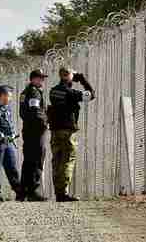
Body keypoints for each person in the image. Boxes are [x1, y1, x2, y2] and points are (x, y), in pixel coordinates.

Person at [47, 67, 95, 202]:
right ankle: (63, 193)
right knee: (68, 160)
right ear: (68, 76)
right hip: (67, 131)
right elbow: (91, 95)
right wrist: (83, 79)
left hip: (55, 131)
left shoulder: (53, 91)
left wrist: (72, 78)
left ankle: (58, 192)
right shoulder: (71, 93)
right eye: (72, 75)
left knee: (56, 160)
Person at [18, 69, 49, 202]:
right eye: (40, 78)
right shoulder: (34, 92)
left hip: (28, 130)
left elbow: (23, 113)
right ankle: (33, 191)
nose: (42, 80)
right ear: (34, 79)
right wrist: (45, 123)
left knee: (28, 160)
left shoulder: (25, 92)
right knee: (37, 159)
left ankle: (23, 192)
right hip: (36, 131)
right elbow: (35, 111)